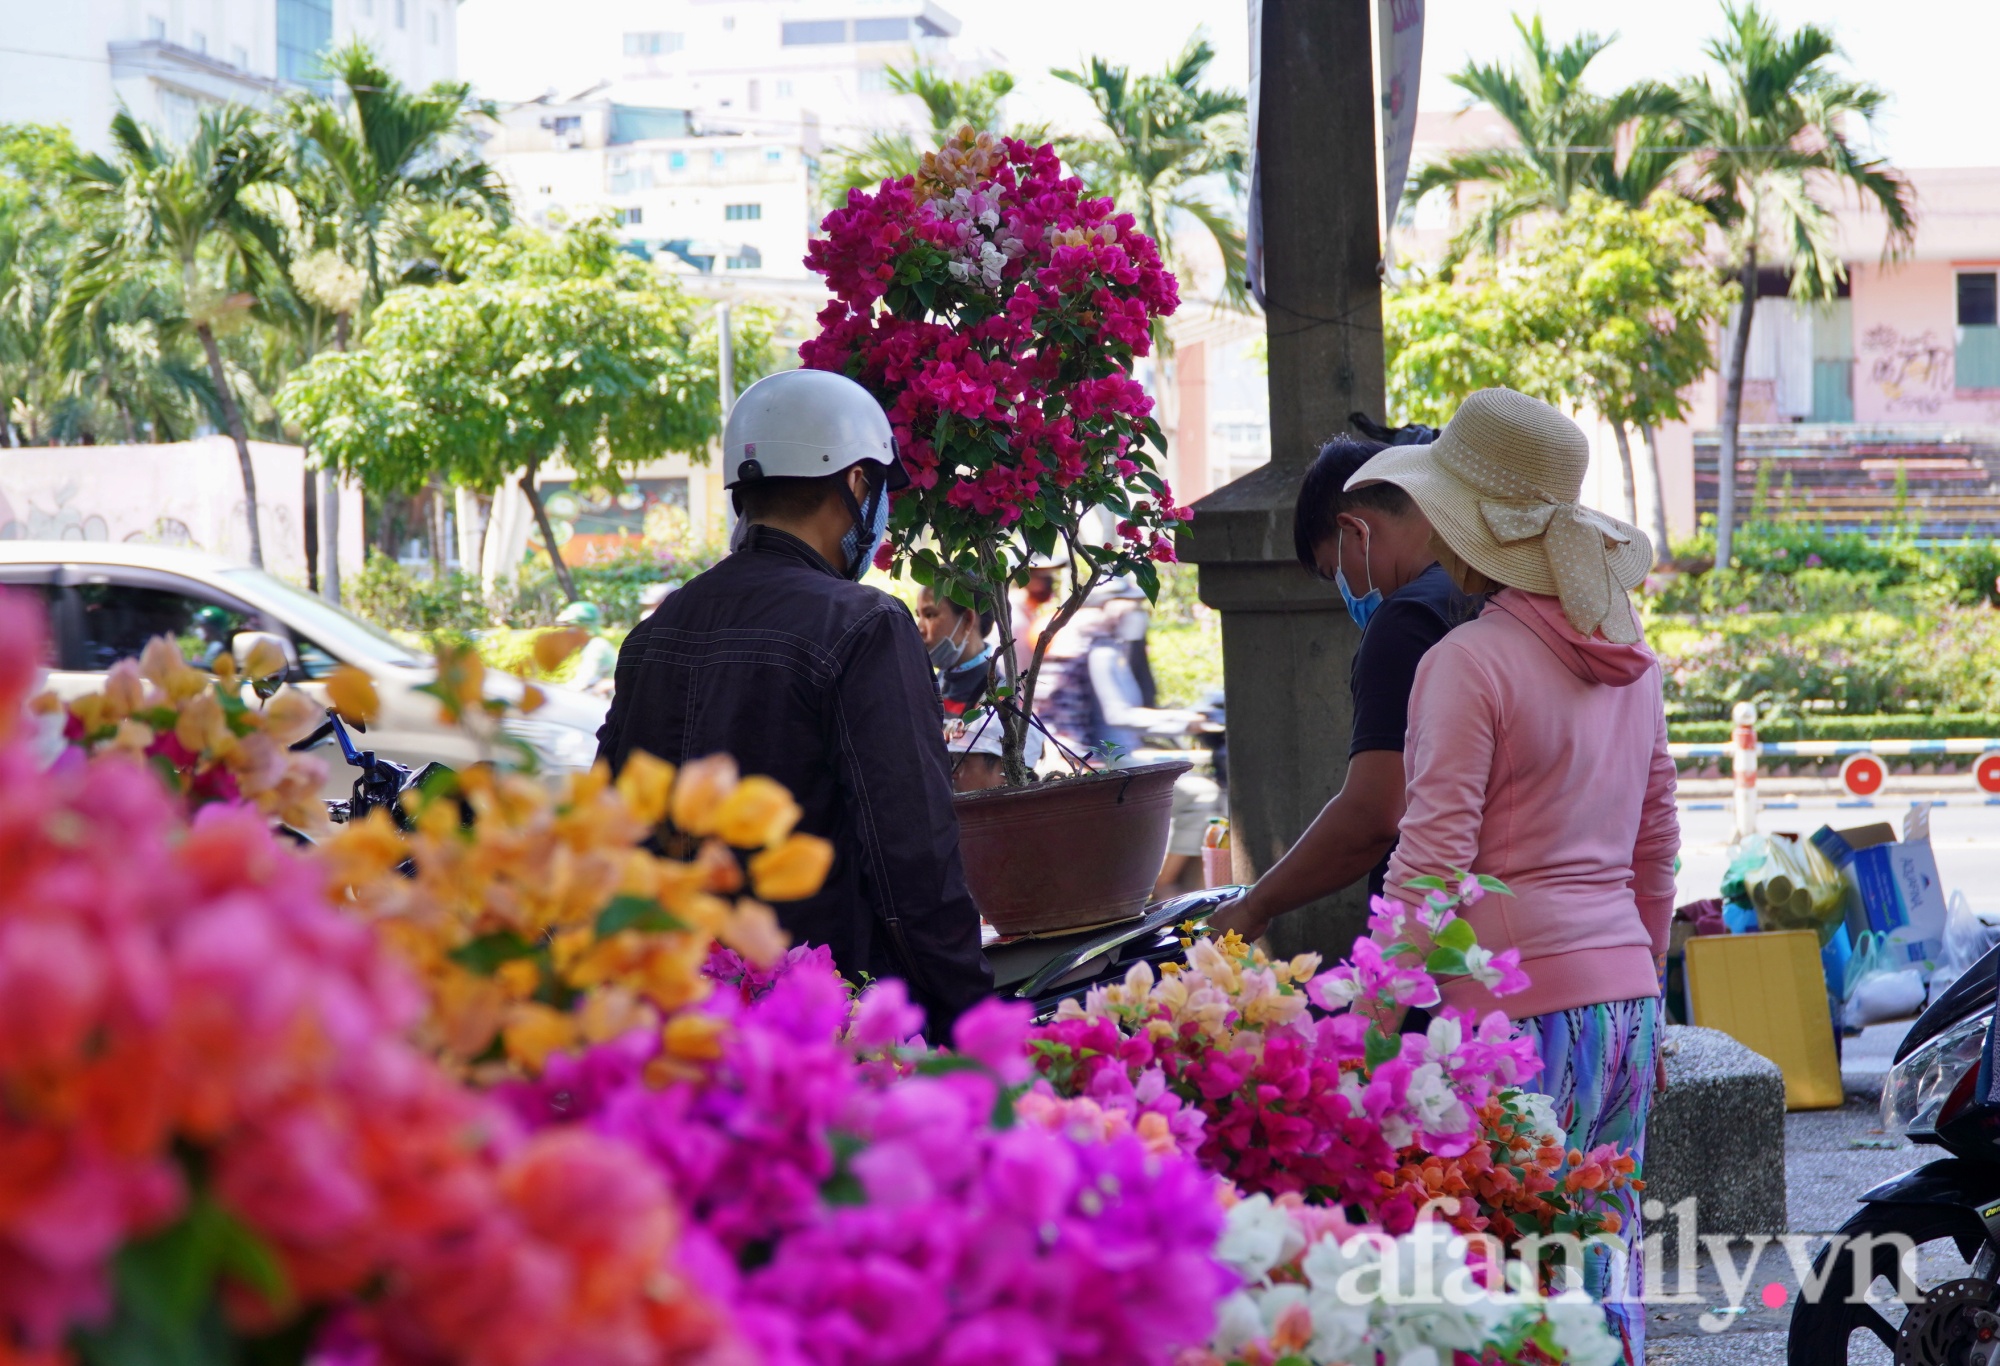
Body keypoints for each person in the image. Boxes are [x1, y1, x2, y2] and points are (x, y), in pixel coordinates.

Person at [1351, 387, 1678, 1363]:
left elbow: (1429, 861)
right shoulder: (1630, 660)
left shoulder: (1465, 660)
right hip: (1624, 1005)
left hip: (1511, 1022)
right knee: (1600, 1270)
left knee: (1505, 1293)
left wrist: (1369, 1028)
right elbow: (1654, 848)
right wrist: (1651, 993)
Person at [596, 368, 992, 1036]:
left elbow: (609, 836)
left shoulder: (653, 634)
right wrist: (980, 1025)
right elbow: (913, 865)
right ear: (857, 482)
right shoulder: (865, 624)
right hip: (822, 1035)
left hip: (677, 1028)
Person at [1209, 436, 1482, 940]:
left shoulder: (1404, 621)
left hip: (1440, 946)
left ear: (1355, 530)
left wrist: (1255, 905)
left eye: (1337, 573)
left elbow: (1374, 813)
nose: (1348, 593)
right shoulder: (1493, 595)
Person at [914, 584, 1041, 791]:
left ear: (968, 619)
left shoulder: (1002, 701)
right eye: (918, 615)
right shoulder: (923, 687)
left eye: (930, 614)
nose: (919, 627)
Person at [555, 599, 618, 696]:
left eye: (570, 627)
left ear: (584, 627)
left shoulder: (597, 647)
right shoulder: (588, 646)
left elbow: (581, 685)